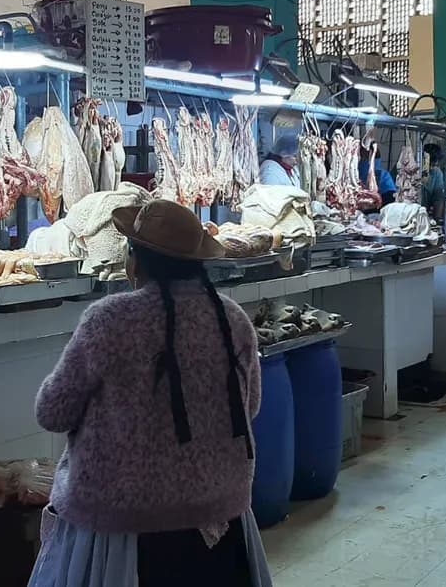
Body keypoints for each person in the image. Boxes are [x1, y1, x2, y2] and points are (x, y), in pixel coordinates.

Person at [30, 199, 272, 586]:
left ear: (136, 261)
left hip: (123, 530)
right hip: (217, 520)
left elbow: (52, 412)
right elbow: (251, 408)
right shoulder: (232, 320)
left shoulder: (109, 320)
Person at [421, 143, 446, 220]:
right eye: (431, 163)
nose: (434, 166)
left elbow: (438, 198)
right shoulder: (410, 168)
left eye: (435, 163)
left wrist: (437, 220)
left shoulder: (436, 173)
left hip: (422, 214)